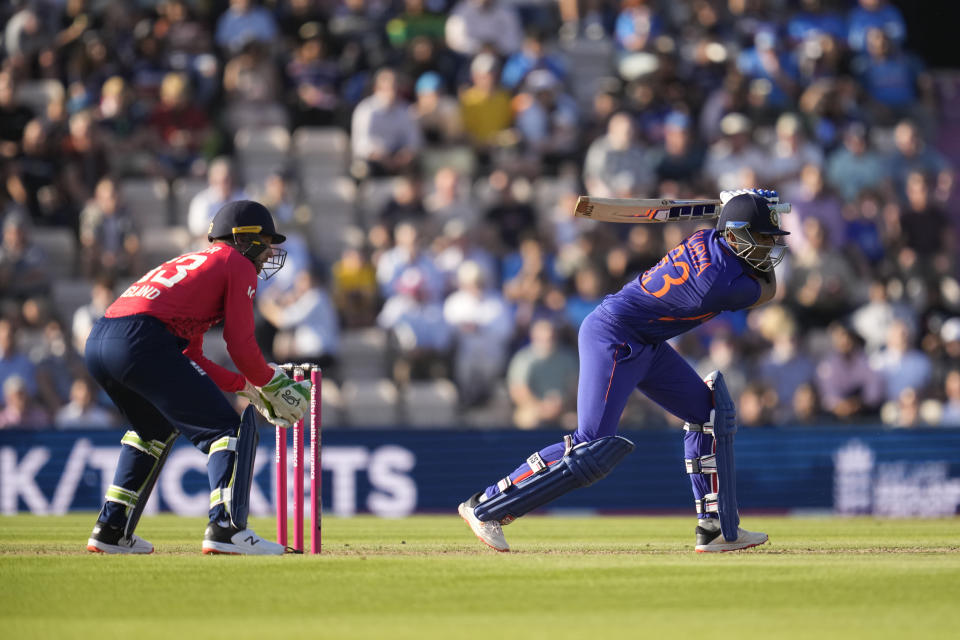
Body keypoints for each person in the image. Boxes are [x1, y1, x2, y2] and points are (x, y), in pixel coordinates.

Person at [458, 190, 786, 553]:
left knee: (709, 413)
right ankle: (486, 506)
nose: (768, 246)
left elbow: (732, 241)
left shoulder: (703, 237)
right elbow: (769, 289)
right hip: (615, 336)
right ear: (735, 235)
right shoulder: (720, 285)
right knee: (591, 446)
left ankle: (716, 529)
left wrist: (742, 206)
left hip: (646, 339)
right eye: (761, 238)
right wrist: (740, 208)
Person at [84, 200, 311, 555]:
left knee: (153, 430)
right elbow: (239, 343)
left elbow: (191, 356)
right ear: (243, 238)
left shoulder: (198, 264)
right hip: (142, 340)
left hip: (101, 340)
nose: (269, 253)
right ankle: (226, 528)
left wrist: (246, 386)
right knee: (227, 429)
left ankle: (111, 528)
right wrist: (271, 381)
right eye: (265, 242)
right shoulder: (236, 263)